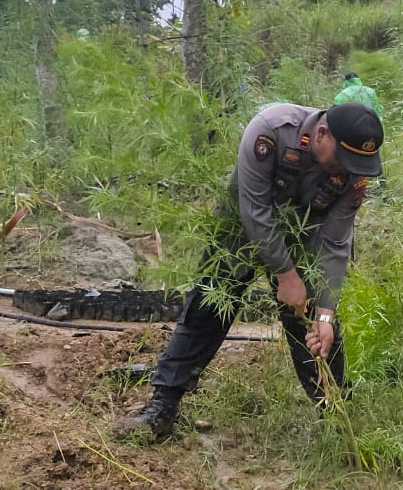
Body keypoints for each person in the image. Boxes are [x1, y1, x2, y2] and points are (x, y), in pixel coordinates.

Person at [114, 102, 384, 440]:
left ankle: (337, 415)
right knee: (209, 307)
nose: (347, 171)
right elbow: (255, 211)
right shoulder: (270, 130)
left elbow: (335, 242)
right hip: (241, 227)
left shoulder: (353, 167)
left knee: (315, 325)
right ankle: (161, 409)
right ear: (322, 134)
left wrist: (326, 313)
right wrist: (286, 276)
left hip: (304, 233)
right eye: (343, 161)